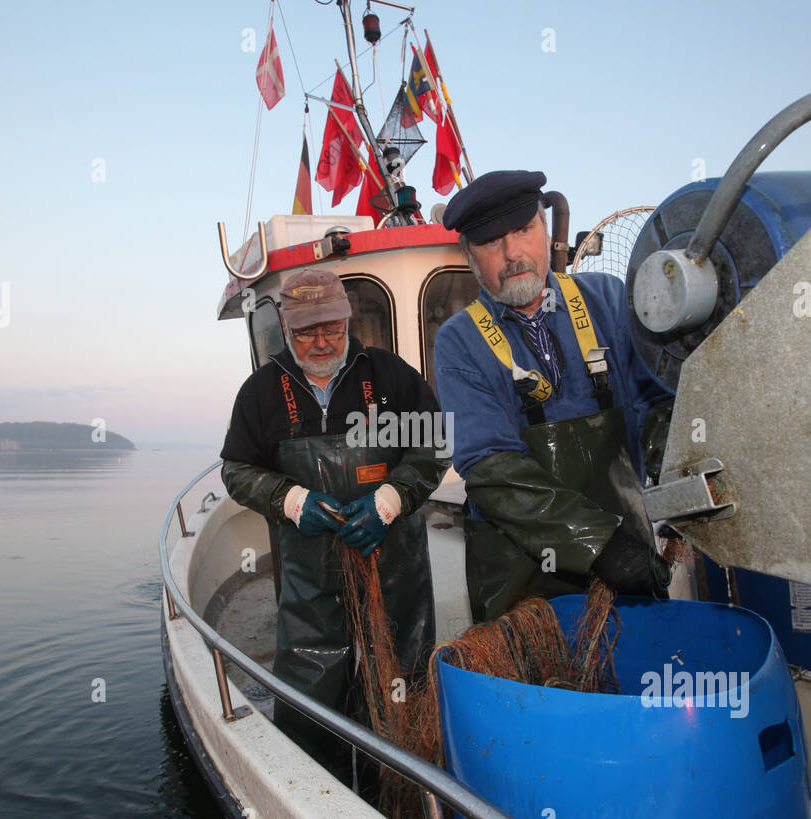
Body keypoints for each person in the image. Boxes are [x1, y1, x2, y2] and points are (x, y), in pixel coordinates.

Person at [220, 267, 447, 776]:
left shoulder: (388, 375)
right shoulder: (260, 392)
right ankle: (314, 786)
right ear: (285, 324)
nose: (321, 342)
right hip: (310, 572)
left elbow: (436, 444)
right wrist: (294, 501)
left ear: (347, 319)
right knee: (310, 675)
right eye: (306, 331)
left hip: (396, 569)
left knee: (403, 674)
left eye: (331, 328)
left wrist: (389, 500)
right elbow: (237, 471)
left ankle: (403, 777)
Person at [433, 170, 675, 622]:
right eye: (490, 243)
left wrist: (684, 486)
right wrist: (599, 543)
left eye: (523, 230)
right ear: (468, 257)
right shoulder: (458, 341)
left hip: (631, 556)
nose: (512, 254)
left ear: (545, 228)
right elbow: (490, 467)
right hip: (522, 580)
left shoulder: (607, 298)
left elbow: (655, 407)